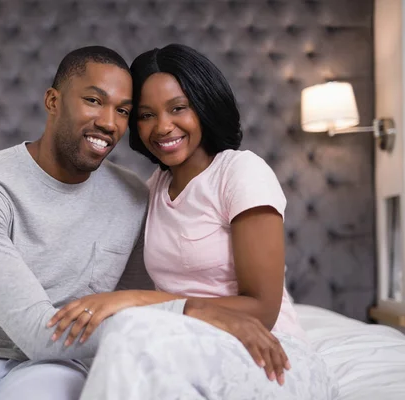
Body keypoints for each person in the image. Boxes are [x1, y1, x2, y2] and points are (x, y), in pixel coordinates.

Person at [0, 45, 290, 400]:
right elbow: (44, 331)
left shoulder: (135, 196)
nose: (109, 122)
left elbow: (139, 297)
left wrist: (164, 314)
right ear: (53, 101)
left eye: (123, 110)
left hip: (62, 361)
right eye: (93, 100)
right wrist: (194, 312)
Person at [48, 44, 338, 399]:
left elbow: (262, 309)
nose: (162, 127)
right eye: (145, 115)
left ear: (203, 105)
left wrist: (133, 301)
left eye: (178, 108)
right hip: (189, 346)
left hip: (272, 355)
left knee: (129, 331)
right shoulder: (153, 190)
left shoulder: (239, 172)